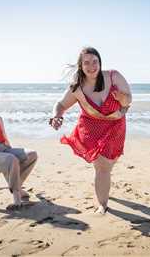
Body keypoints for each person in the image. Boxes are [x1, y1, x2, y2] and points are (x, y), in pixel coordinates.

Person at [50, 47, 132, 215]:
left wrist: (121, 97)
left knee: (109, 163)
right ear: (81, 66)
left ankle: (104, 181)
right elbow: (61, 104)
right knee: (102, 165)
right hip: (91, 127)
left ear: (100, 62)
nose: (91, 66)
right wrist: (56, 116)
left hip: (115, 126)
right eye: (86, 63)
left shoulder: (113, 76)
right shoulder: (77, 88)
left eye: (95, 61)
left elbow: (128, 100)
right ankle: (102, 205)